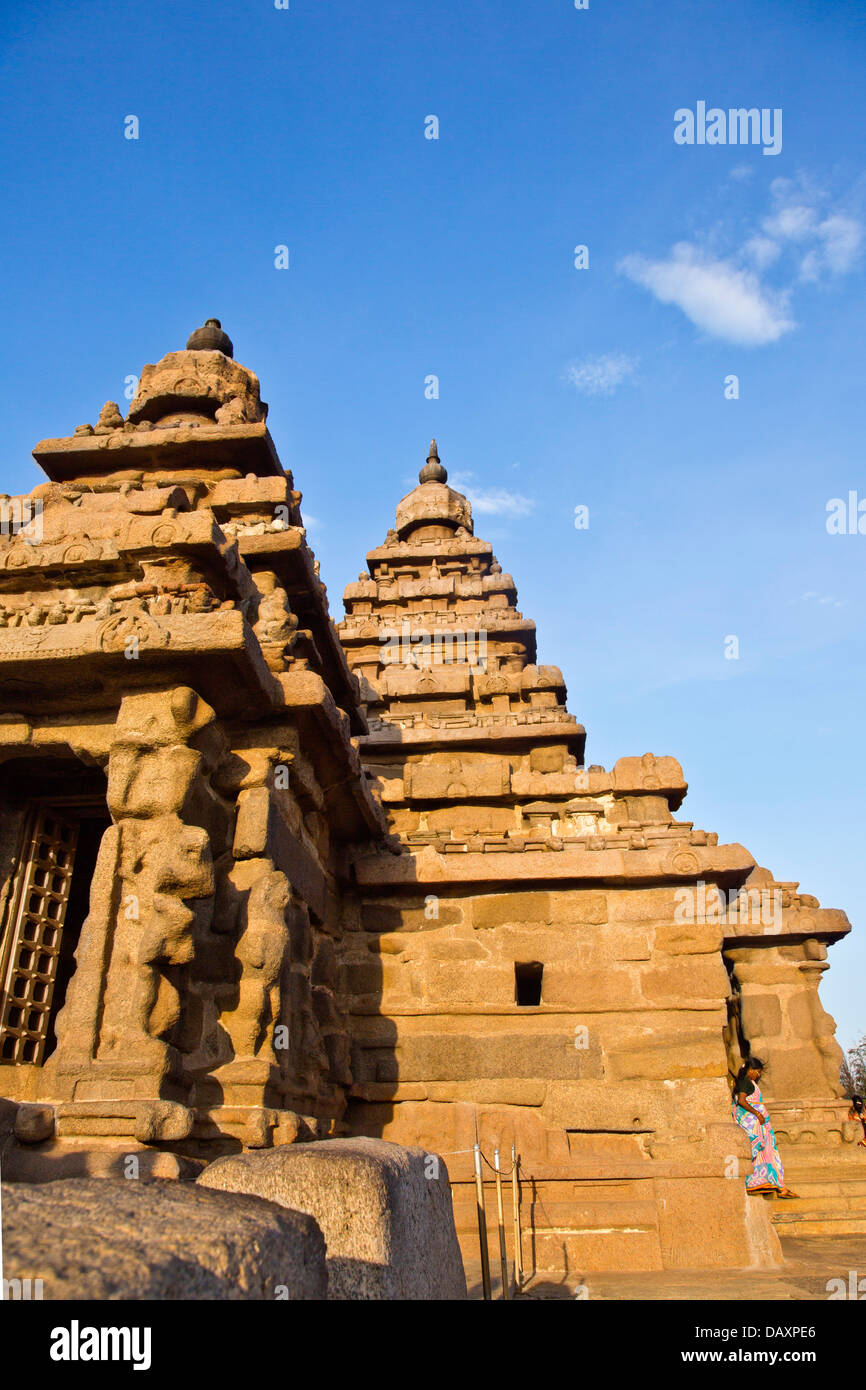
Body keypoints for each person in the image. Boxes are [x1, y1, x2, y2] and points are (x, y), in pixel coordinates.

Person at [732, 1056, 799, 1198]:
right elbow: (742, 1101)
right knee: (758, 1151)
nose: (758, 1075)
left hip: (760, 1124)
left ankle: (771, 1184)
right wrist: (757, 1113)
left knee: (766, 1154)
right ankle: (761, 1183)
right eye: (757, 1072)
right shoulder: (745, 1082)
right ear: (750, 1070)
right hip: (753, 1123)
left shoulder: (749, 1083)